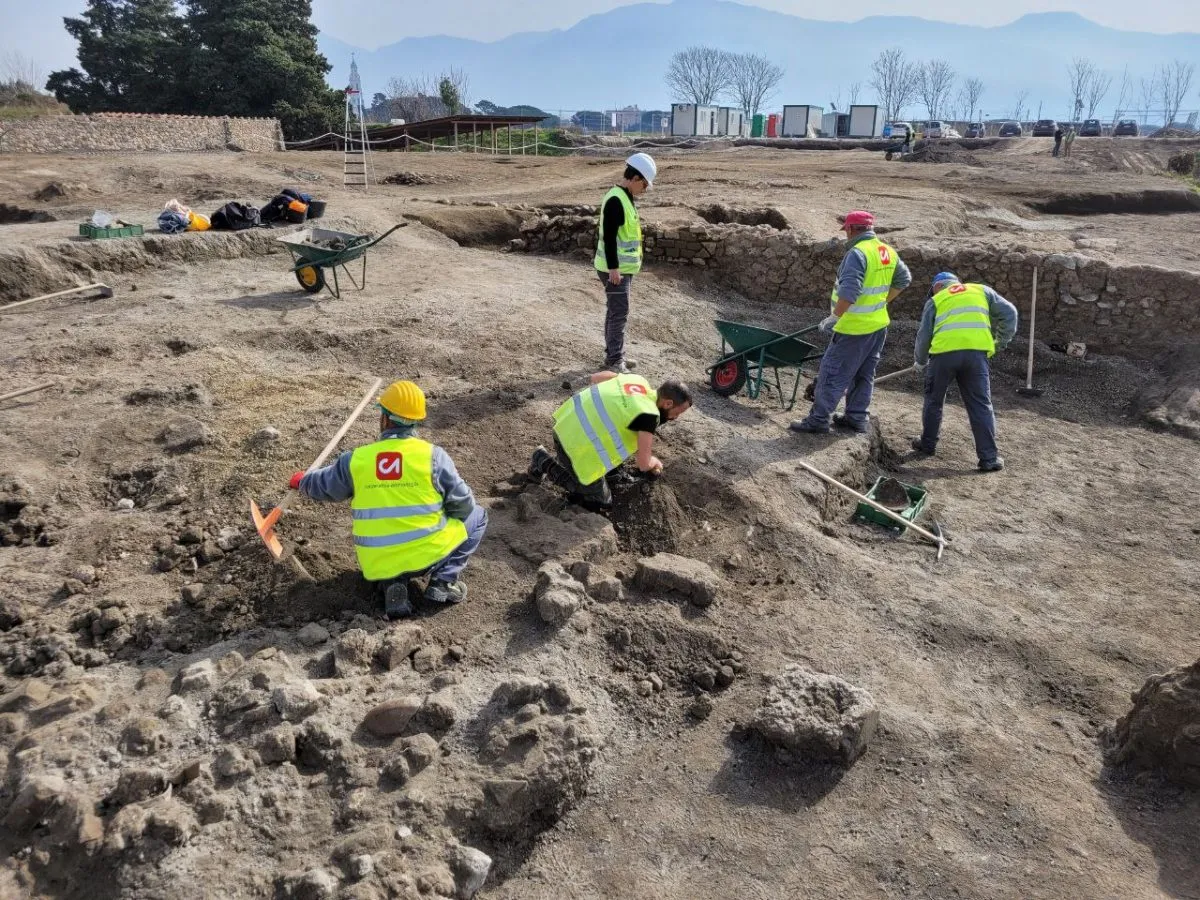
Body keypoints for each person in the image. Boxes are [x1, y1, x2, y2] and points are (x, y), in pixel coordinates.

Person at [290, 380, 487, 619]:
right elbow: (464, 506)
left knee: (389, 539)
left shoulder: (357, 460)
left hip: (377, 563)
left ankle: (393, 583)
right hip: (427, 557)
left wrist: (302, 481)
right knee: (478, 515)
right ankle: (443, 582)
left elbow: (324, 486)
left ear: (384, 418)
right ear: (416, 420)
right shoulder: (433, 457)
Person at [790, 210, 912, 434]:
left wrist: (835, 316)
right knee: (864, 373)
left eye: (846, 229)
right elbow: (904, 279)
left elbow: (849, 291)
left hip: (854, 328)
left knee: (832, 372)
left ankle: (818, 420)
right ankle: (856, 417)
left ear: (852, 229)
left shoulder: (858, 253)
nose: (846, 234)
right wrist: (881, 303)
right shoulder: (885, 250)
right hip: (878, 326)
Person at [529, 371, 693, 511]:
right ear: (668, 403)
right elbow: (643, 464)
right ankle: (543, 460)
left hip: (565, 424)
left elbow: (596, 377)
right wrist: (654, 462)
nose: (675, 418)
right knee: (600, 502)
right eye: (677, 413)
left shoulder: (637, 381)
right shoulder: (649, 415)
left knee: (614, 458)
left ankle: (596, 468)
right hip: (572, 446)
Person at [910, 272, 1019, 473]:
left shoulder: (936, 300)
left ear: (937, 286)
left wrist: (920, 360)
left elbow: (924, 336)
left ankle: (928, 444)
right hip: (976, 356)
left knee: (934, 400)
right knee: (981, 405)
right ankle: (989, 458)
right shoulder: (981, 291)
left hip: (943, 356)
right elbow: (1010, 313)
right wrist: (1000, 342)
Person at [594, 152, 657, 374]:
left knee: (615, 312)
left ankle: (614, 354)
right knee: (619, 314)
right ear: (636, 178)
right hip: (615, 270)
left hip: (620, 268)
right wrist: (614, 269)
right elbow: (610, 237)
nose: (646, 189)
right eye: (645, 184)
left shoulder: (624, 197)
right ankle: (614, 361)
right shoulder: (616, 200)